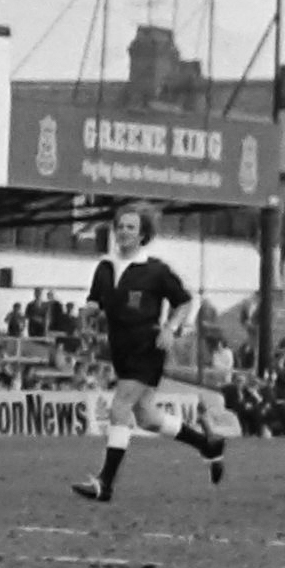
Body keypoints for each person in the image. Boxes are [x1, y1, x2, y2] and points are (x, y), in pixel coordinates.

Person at [70, 203, 225, 503]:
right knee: (147, 418)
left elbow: (184, 302)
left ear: (143, 235)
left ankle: (106, 483)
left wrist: (171, 327)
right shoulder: (104, 268)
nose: (124, 231)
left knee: (120, 407)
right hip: (120, 348)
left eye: (131, 227)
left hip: (147, 346)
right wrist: (87, 312)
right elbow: (95, 303)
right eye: (120, 226)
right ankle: (207, 445)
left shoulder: (156, 271)